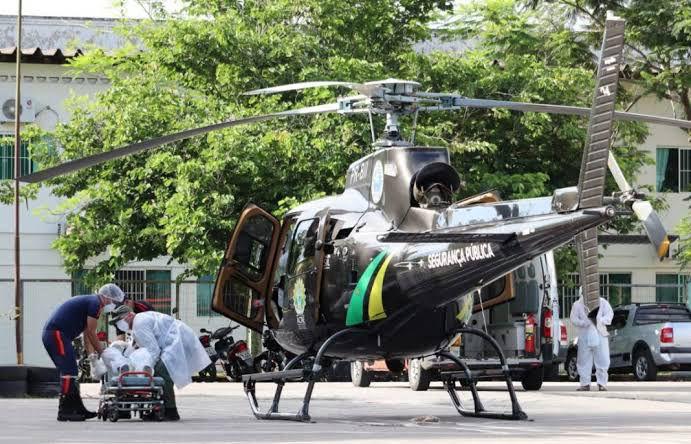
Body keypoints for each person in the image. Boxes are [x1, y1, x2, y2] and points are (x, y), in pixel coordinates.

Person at [109, 305, 211, 421]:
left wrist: (148, 368)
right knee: (161, 369)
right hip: (178, 339)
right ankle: (162, 408)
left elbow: (154, 351)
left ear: (129, 316)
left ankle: (170, 411)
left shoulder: (139, 323)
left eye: (119, 320)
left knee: (161, 370)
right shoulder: (139, 322)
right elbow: (143, 347)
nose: (118, 325)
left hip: (177, 341)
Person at [42, 283, 125, 421]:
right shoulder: (96, 304)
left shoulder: (91, 303)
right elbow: (92, 333)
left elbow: (87, 334)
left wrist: (92, 357)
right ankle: (65, 410)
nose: (113, 306)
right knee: (69, 372)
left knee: (72, 371)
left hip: (58, 335)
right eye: (113, 302)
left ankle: (77, 408)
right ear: (106, 297)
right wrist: (103, 353)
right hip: (56, 334)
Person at [570, 290, 614, 391]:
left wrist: (599, 320)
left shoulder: (602, 302)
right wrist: (583, 323)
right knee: (583, 360)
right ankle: (585, 384)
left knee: (603, 359)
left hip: (600, 334)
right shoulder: (577, 304)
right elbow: (573, 319)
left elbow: (609, 315)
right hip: (584, 335)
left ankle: (602, 383)